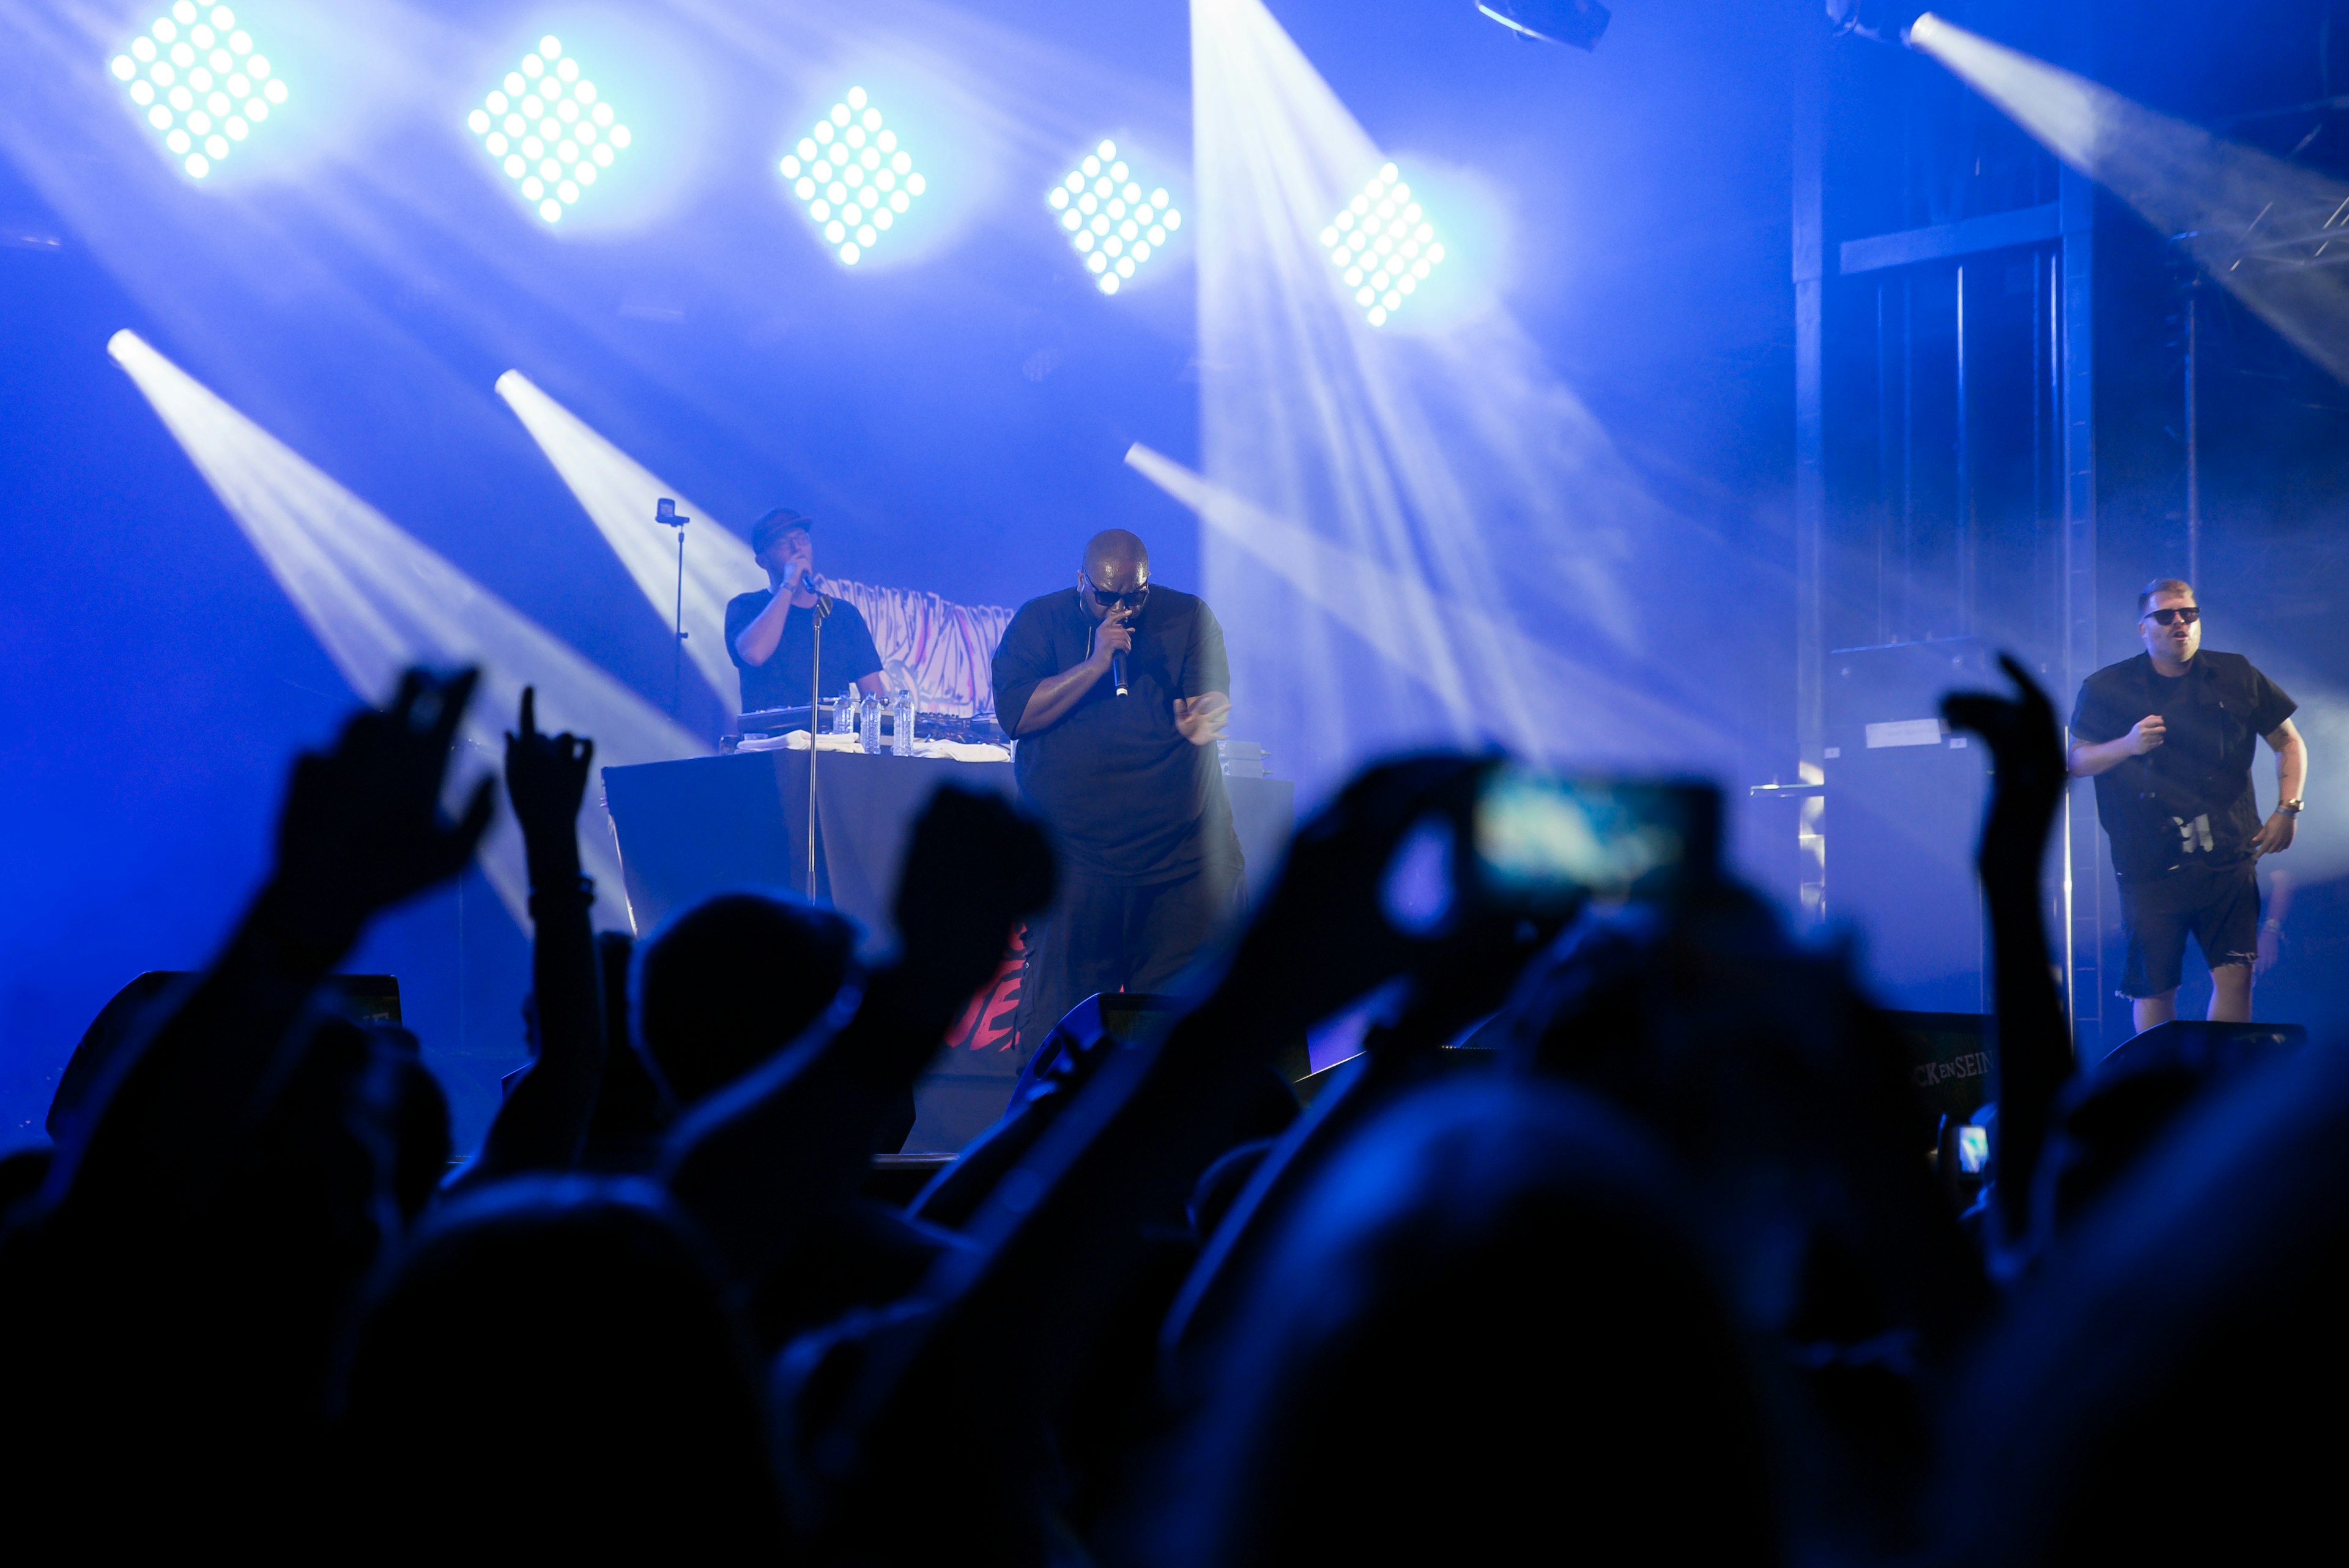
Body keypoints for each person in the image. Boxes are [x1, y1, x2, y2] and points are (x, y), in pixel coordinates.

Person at [990, 529, 1242, 1050]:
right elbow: (1016, 713)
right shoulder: (1040, 621)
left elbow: (1208, 694)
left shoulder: (1188, 616)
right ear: (1081, 580)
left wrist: (1205, 714)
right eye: (1105, 597)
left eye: (1134, 596)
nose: (1120, 608)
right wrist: (1095, 663)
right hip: (1073, 862)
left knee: (1182, 1037)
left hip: (1180, 860)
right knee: (1060, 1034)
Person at [2068, 579, 2307, 1033]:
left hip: (2229, 854)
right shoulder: (2108, 686)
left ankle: (2220, 1080)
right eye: (2166, 615)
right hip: (2150, 863)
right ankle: (2165, 1086)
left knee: (2236, 975)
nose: (2180, 622)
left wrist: (2288, 808)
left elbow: (2288, 740)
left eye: (2189, 613)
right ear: (2143, 627)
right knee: (2155, 986)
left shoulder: (2235, 673)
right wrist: (2128, 744)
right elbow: (2077, 760)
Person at [725, 508, 888, 714]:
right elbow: (755, 654)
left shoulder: (843, 614)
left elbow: (873, 694)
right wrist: (789, 584)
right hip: (769, 741)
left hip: (831, 742)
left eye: (802, 538)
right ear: (763, 562)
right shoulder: (746, 607)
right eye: (784, 543)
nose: (797, 548)